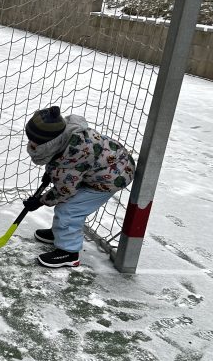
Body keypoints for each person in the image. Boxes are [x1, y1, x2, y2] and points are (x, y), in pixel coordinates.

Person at [22, 106, 136, 268]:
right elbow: (59, 160)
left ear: (50, 141)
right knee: (67, 206)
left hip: (111, 178)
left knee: (70, 209)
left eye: (36, 141)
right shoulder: (66, 137)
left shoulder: (73, 154)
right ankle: (60, 234)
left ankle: (68, 252)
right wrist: (51, 173)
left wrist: (40, 201)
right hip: (107, 167)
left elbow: (65, 190)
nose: (32, 144)